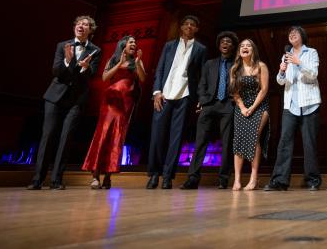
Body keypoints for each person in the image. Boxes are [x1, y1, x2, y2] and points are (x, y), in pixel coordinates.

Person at [27, 16, 102, 190]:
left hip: (76, 99)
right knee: (48, 136)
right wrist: (68, 61)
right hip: (55, 96)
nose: (81, 26)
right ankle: (37, 179)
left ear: (91, 30)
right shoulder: (63, 45)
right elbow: (56, 71)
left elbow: (92, 73)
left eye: (85, 24)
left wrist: (84, 67)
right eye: (79, 23)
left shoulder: (95, 50)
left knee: (66, 138)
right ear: (75, 27)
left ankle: (56, 180)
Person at [146, 15, 207, 189]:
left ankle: (167, 176)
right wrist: (156, 92)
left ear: (196, 29)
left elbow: (201, 76)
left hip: (185, 96)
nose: (189, 26)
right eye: (186, 24)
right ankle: (154, 174)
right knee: (157, 136)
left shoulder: (200, 49)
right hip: (163, 95)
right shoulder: (169, 46)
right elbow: (160, 69)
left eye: (192, 25)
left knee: (176, 138)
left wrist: (200, 98)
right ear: (180, 27)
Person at [82, 35, 145, 189]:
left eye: (135, 43)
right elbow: (105, 77)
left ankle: (108, 176)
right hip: (110, 103)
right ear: (123, 44)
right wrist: (119, 64)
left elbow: (142, 78)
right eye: (131, 42)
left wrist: (137, 63)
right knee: (103, 135)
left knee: (117, 138)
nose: (134, 44)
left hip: (125, 105)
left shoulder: (137, 61)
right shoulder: (114, 59)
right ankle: (95, 176)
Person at [264, 26, 322, 191]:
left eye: (295, 33)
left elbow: (313, 74)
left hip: (309, 103)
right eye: (290, 33)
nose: (292, 35)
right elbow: (280, 82)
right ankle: (279, 181)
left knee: (309, 143)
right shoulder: (286, 56)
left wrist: (299, 62)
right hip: (290, 105)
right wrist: (282, 71)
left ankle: (313, 180)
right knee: (284, 142)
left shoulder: (311, 52)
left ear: (302, 36)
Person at [180, 31, 239, 190]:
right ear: (219, 46)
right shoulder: (209, 64)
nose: (225, 44)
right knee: (200, 142)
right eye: (222, 42)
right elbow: (202, 84)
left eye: (228, 42)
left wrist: (234, 99)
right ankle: (192, 178)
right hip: (209, 104)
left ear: (233, 46)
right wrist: (204, 100)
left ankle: (223, 179)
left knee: (227, 143)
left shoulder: (237, 65)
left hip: (228, 105)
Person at [230, 39, 270, 191]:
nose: (245, 48)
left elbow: (264, 89)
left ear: (253, 50)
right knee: (239, 139)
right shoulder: (235, 68)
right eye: (242, 46)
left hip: (259, 106)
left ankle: (253, 178)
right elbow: (234, 91)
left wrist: (252, 108)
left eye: (248, 46)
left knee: (254, 137)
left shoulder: (261, 66)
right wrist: (241, 107)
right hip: (241, 107)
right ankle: (238, 180)